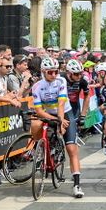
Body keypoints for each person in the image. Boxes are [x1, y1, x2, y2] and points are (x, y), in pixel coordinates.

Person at [31, 57, 84, 198]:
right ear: (43, 72)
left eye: (55, 72)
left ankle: (77, 185)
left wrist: (61, 121)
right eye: (50, 72)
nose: (54, 75)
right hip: (49, 114)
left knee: (71, 148)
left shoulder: (61, 81)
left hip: (65, 113)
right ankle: (38, 148)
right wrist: (56, 120)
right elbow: (39, 111)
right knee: (35, 124)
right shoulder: (36, 87)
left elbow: (61, 104)